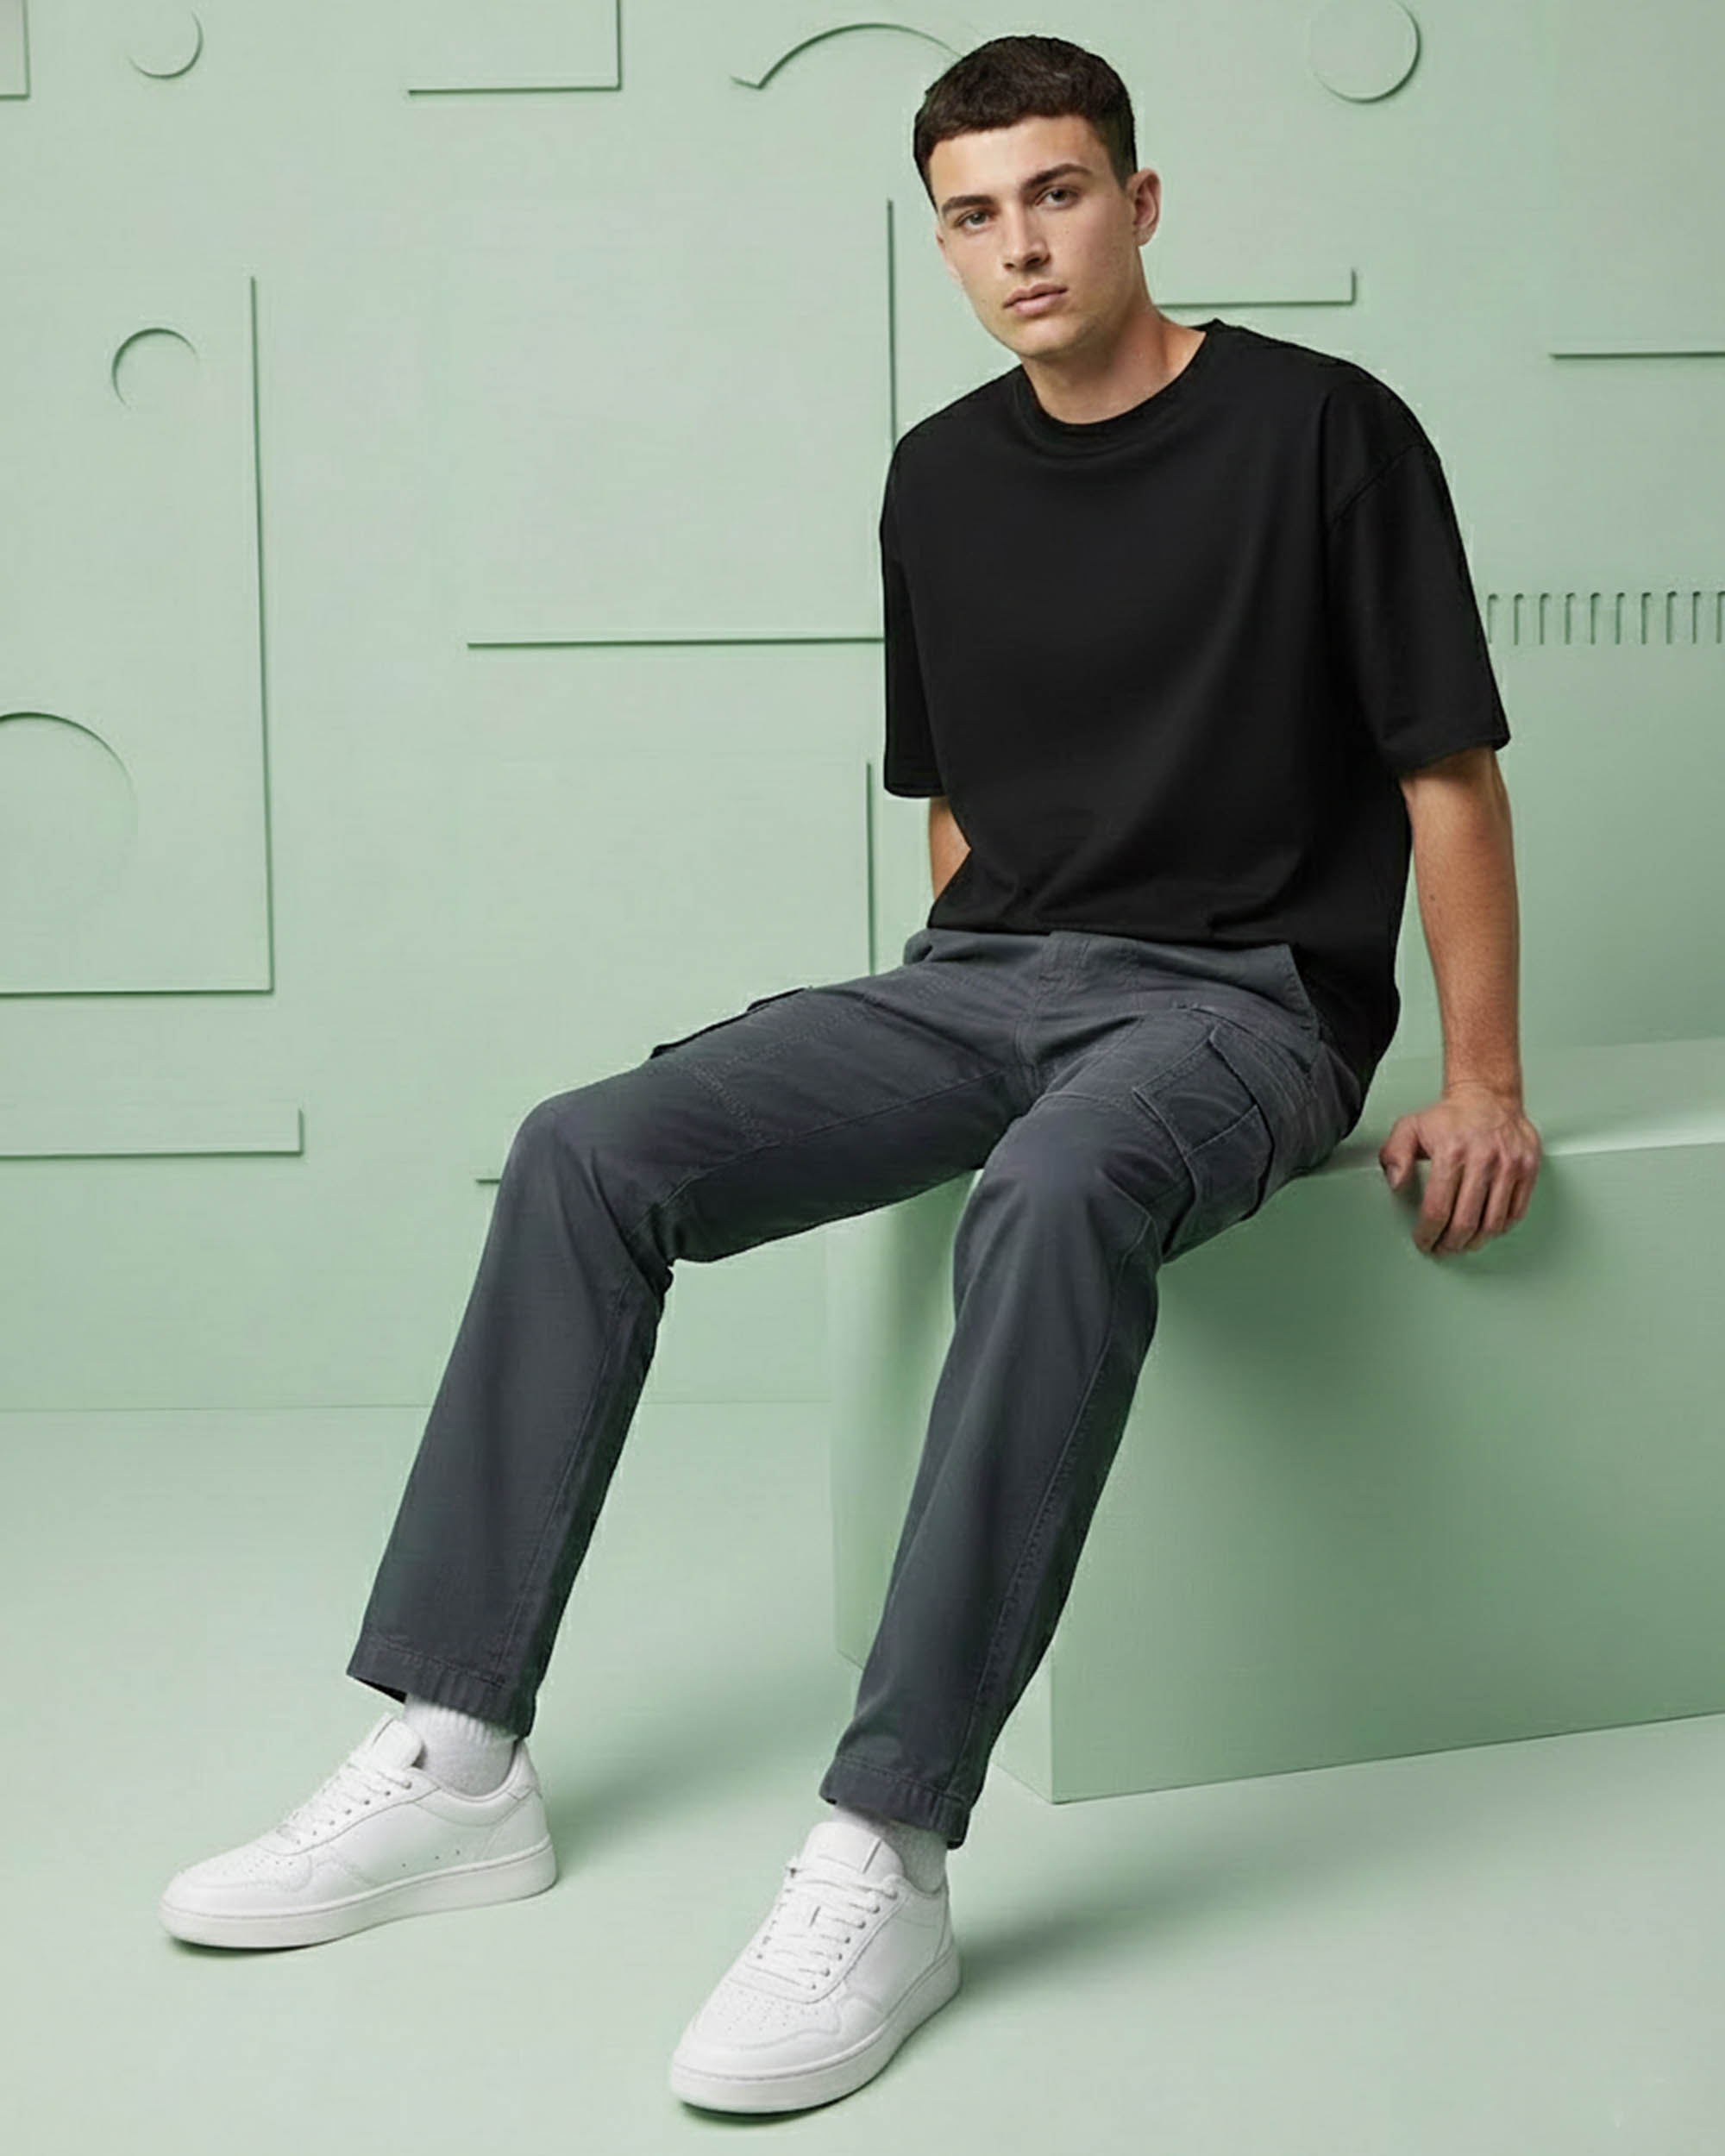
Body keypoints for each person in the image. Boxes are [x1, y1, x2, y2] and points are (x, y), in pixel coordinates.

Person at [158, 32, 1541, 2118]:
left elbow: (1446, 773)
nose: (1020, 245)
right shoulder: (940, 475)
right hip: (984, 975)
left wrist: (1483, 1074)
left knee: (1057, 1188)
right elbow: (958, 801)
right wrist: (946, 1034)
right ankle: (454, 1748)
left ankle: (885, 1846)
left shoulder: (1324, 429)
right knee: (586, 1148)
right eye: (973, 215)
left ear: (1140, 204)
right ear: (943, 243)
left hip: (1243, 1003)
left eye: (1055, 194)